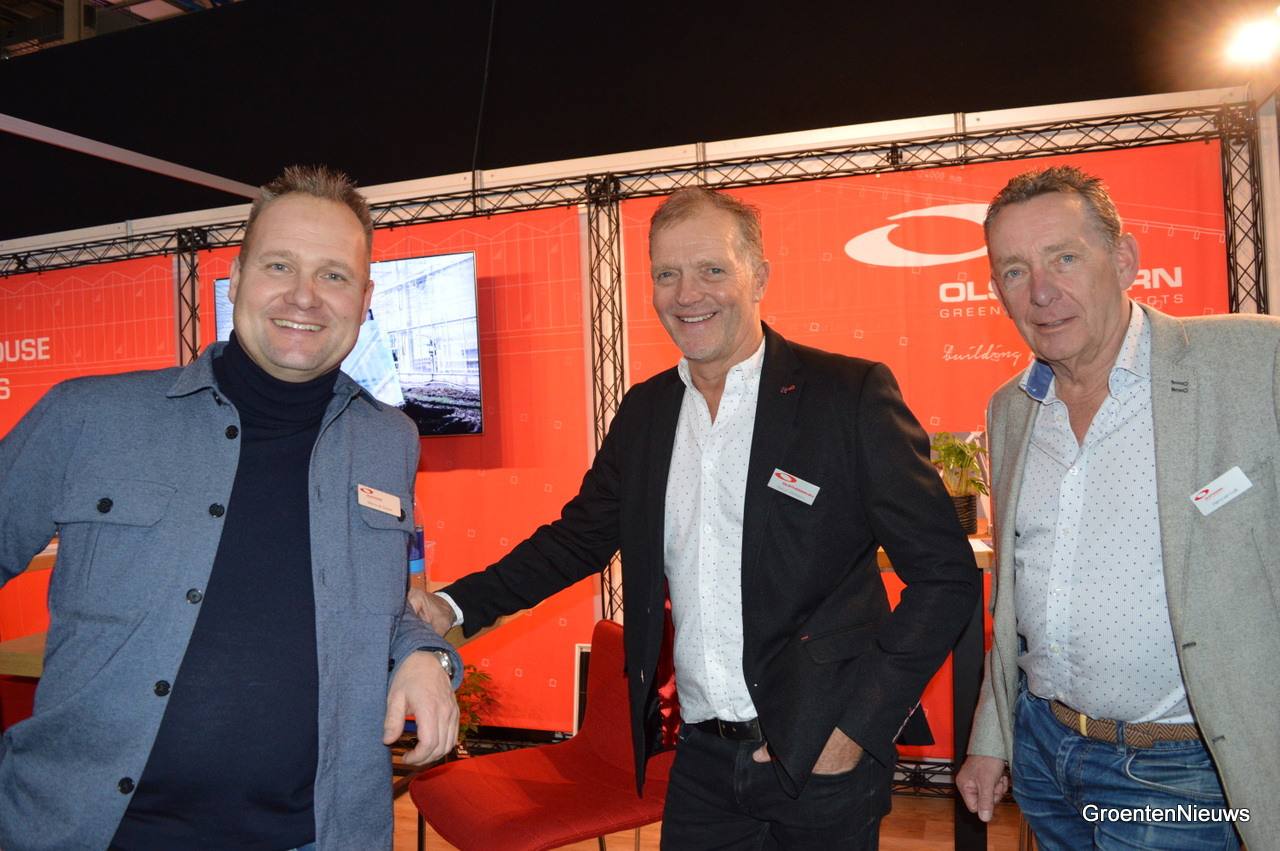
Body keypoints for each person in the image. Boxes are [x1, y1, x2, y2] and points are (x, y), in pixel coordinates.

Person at [411, 187, 980, 848]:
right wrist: (453, 605)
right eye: (667, 274)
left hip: (821, 752)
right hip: (701, 757)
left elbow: (945, 575)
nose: (688, 294)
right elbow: (576, 540)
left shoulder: (847, 396)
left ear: (758, 276)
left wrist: (857, 726)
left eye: (712, 269)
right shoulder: (646, 413)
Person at [0, 165, 462, 851]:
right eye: (280, 265)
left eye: (334, 275)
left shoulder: (389, 439)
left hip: (317, 834)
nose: (304, 295)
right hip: (90, 832)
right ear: (239, 275)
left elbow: (375, 606)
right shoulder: (88, 416)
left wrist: (423, 653)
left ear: (364, 298)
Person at [956, 166, 1278, 849]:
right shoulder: (1010, 409)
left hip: (1184, 771)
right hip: (1046, 755)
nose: (1041, 291)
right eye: (1014, 270)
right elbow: (1017, 603)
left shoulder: (1255, 361)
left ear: (1125, 259)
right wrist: (994, 736)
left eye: (1064, 258)